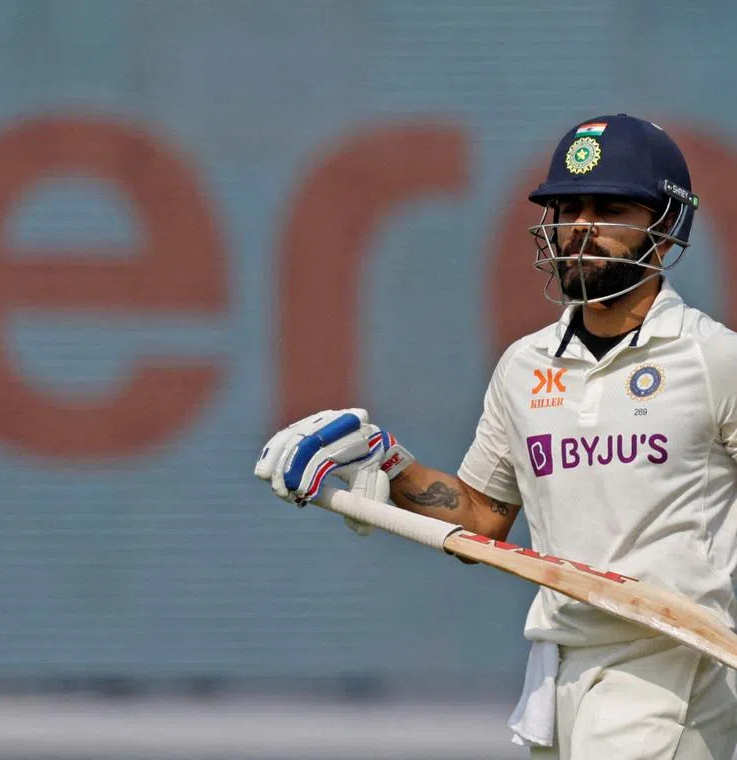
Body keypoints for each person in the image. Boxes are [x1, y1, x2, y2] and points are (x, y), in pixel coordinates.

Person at [253, 114, 737, 759]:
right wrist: (389, 461)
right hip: (559, 661)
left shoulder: (712, 358)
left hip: (672, 659)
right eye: (568, 207)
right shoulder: (525, 366)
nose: (582, 227)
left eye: (611, 208)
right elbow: (482, 518)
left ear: (664, 227)